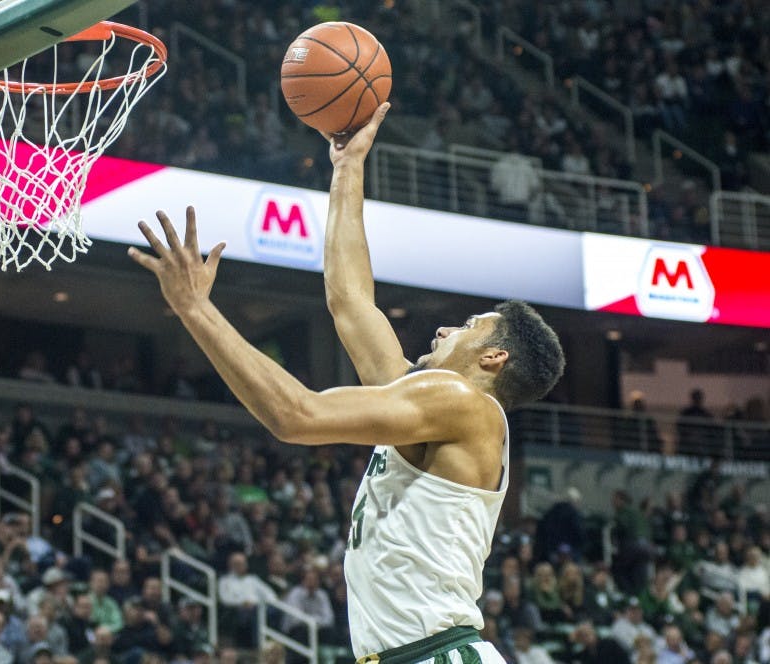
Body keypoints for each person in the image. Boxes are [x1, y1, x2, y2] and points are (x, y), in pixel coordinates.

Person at [127, 103, 565, 664]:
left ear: (493, 357)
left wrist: (196, 310)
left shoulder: (461, 404)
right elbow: (350, 300)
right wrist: (347, 166)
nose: (444, 328)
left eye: (467, 327)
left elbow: (297, 416)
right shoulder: (428, 405)